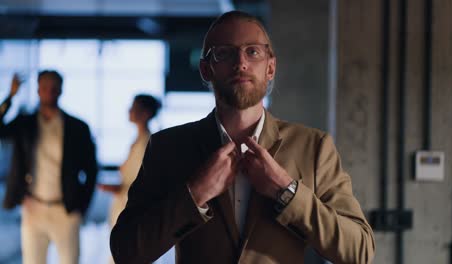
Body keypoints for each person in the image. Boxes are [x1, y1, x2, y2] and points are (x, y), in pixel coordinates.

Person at [110, 11, 375, 264]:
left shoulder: (314, 147)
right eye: (224, 53)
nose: (241, 63)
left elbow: (359, 251)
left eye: (253, 52)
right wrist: (194, 194)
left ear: (270, 68)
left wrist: (287, 192)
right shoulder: (168, 147)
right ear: (206, 69)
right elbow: (127, 252)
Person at [0, 70, 98, 264]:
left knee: (70, 260)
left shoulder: (78, 127)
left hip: (66, 210)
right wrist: (10, 96)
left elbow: (92, 169)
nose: (49, 92)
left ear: (61, 90)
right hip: (33, 207)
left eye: (54, 88)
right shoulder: (25, 123)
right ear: (38, 90)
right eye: (45, 88)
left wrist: (81, 206)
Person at [98, 94, 161, 263]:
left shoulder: (146, 143)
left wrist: (115, 187)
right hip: (125, 206)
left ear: (146, 113)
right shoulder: (139, 140)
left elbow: (141, 183)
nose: (130, 110)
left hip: (131, 210)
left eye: (135, 107)